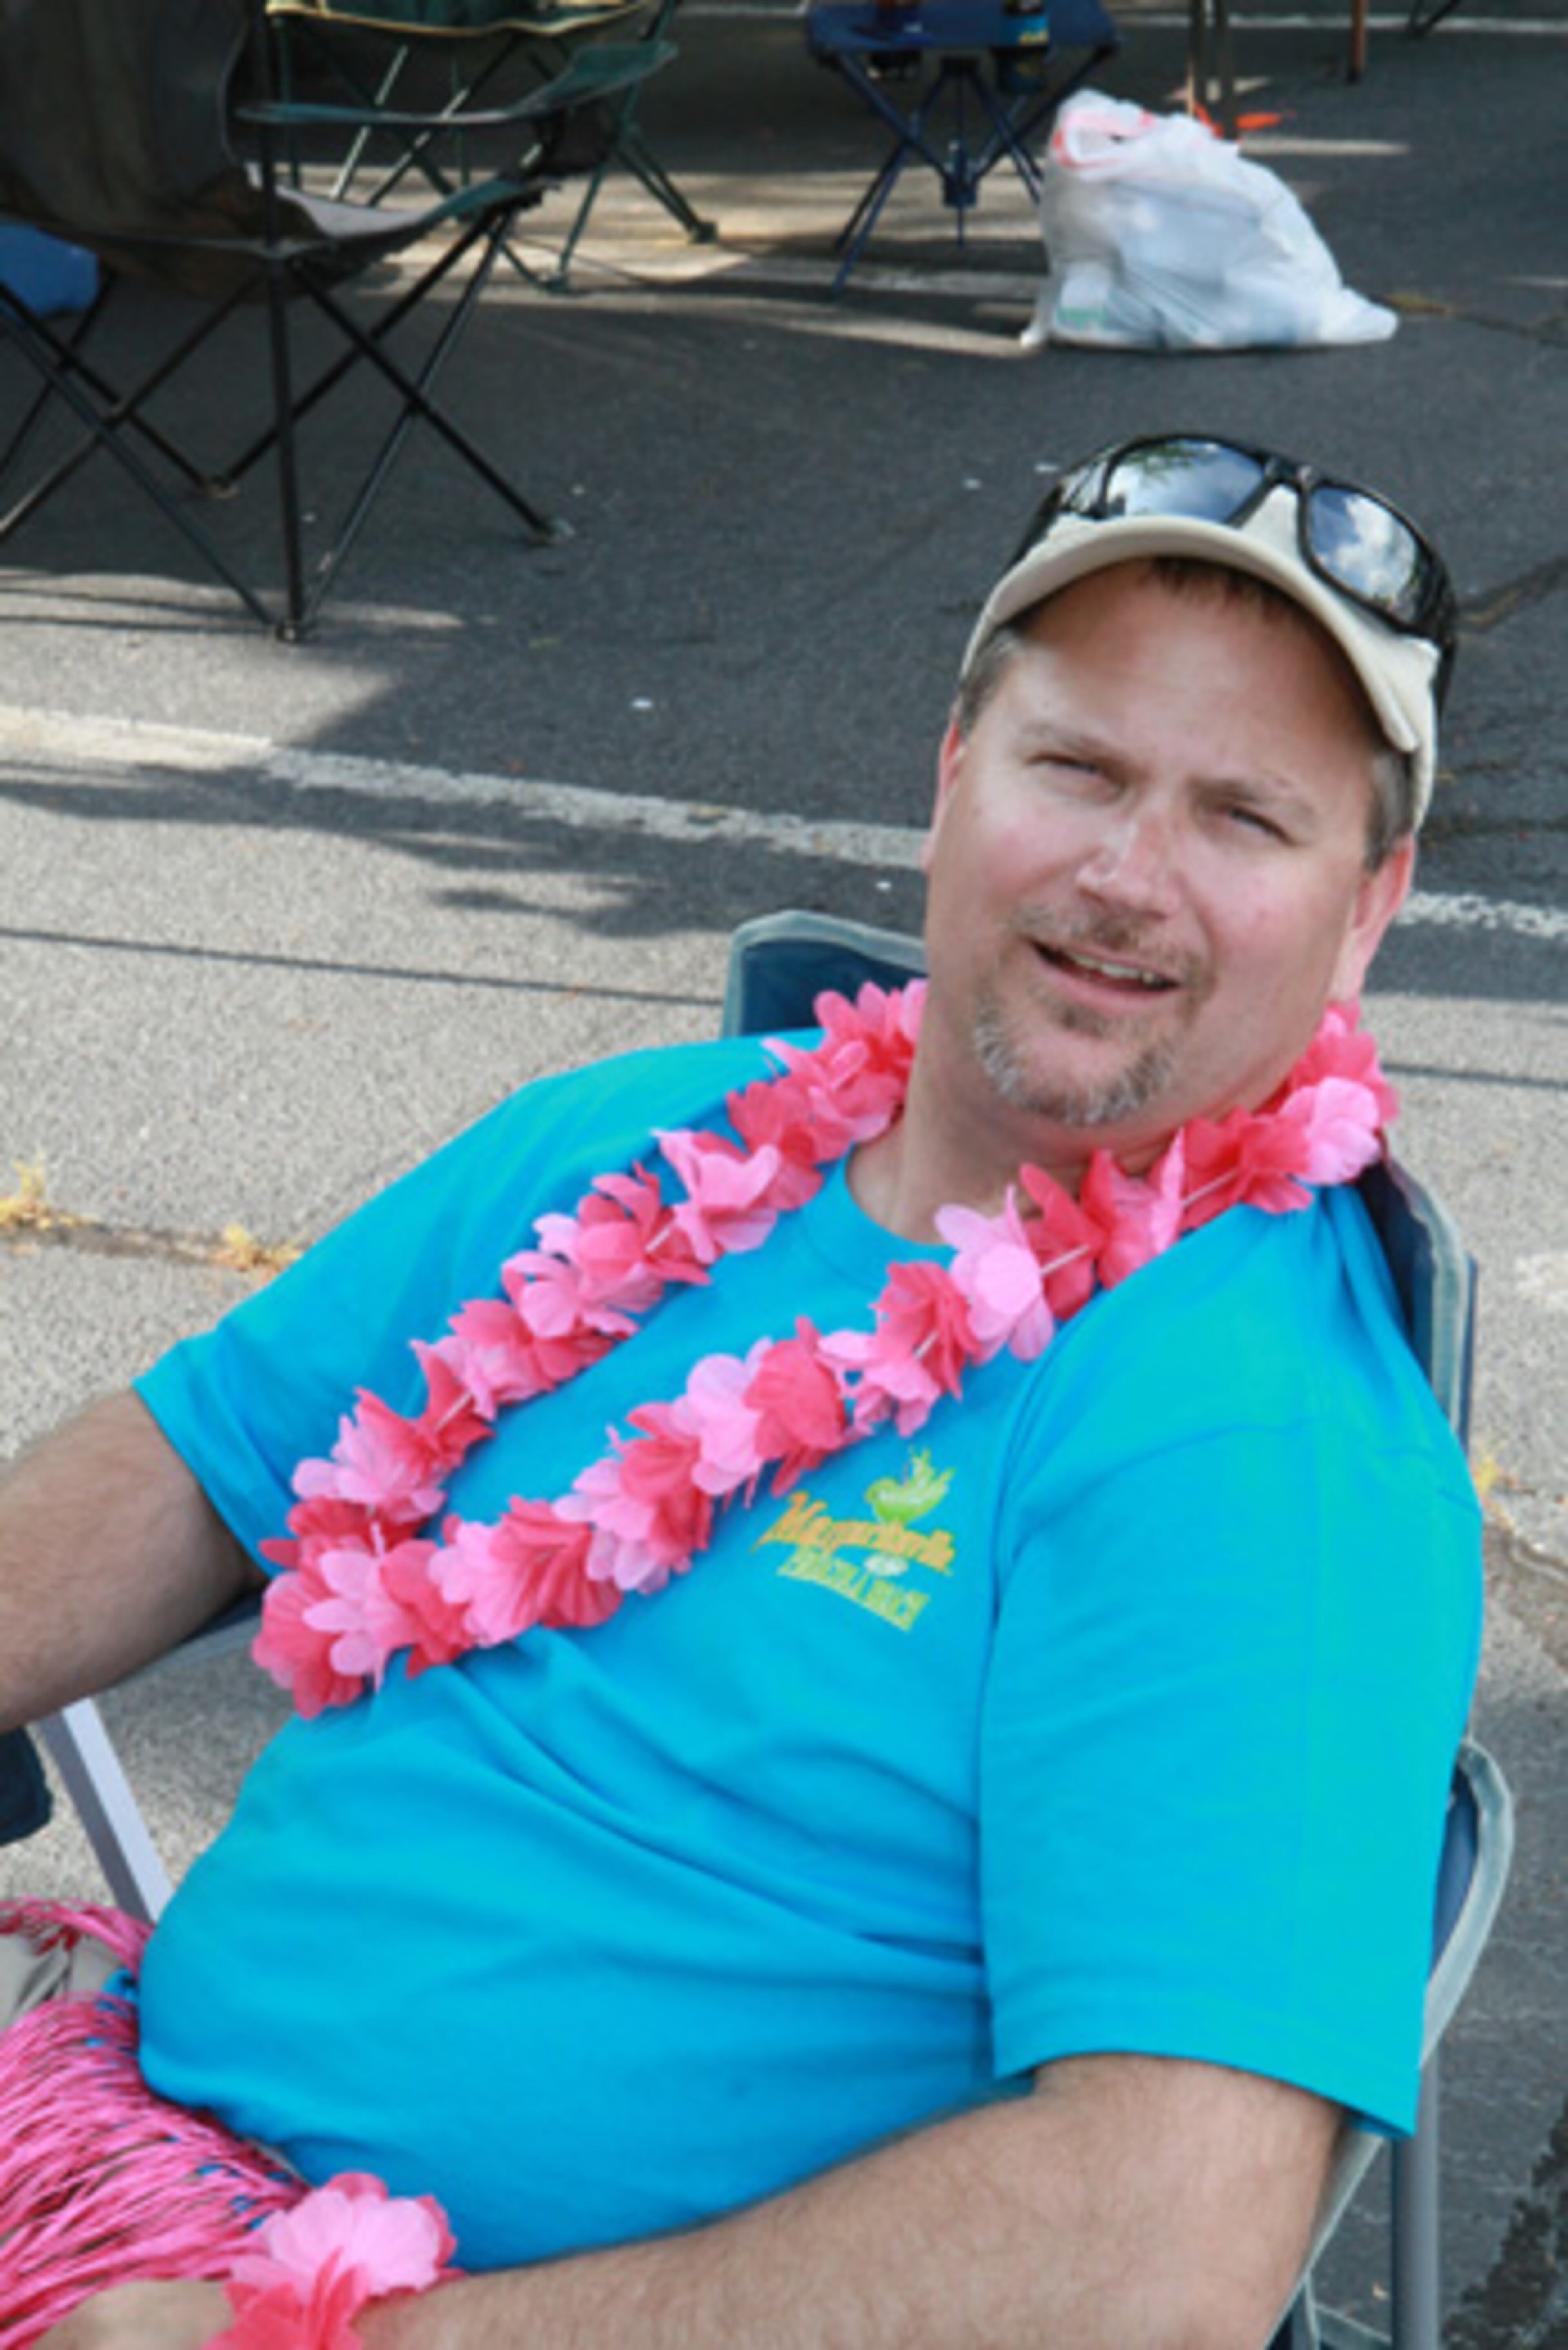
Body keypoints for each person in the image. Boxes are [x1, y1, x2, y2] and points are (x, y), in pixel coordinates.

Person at [0, 433, 1481, 2350]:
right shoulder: (626, 1149)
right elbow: (194, 1461)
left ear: (1367, 908)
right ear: (954, 780)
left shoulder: (1258, 1437)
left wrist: (316, 2344)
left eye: (1244, 819)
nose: (1128, 875)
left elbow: (1151, 2246)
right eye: (1080, 767)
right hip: (116, 2143)